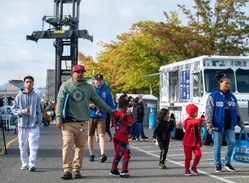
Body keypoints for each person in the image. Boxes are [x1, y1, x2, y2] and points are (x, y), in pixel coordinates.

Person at [56, 65, 115, 179]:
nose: (80, 74)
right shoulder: (66, 86)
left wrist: (111, 111)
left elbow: (98, 101)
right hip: (68, 121)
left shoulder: (88, 88)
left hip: (82, 122)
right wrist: (58, 117)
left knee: (80, 146)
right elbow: (60, 101)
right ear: (72, 74)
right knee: (67, 145)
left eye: (82, 72)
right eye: (77, 72)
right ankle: (67, 169)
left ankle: (76, 169)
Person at [206, 73, 245, 173]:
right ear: (220, 83)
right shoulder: (213, 96)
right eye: (226, 83)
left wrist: (241, 124)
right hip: (217, 125)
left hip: (230, 125)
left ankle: (227, 162)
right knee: (217, 146)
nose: (228, 85)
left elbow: (237, 111)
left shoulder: (232, 97)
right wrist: (209, 123)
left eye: (229, 83)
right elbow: (209, 110)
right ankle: (217, 164)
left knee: (232, 143)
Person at [11, 76, 42, 171]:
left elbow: (39, 110)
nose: (29, 84)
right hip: (22, 125)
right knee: (22, 144)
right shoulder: (19, 96)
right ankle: (24, 162)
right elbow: (14, 109)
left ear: (33, 84)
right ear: (24, 84)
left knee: (33, 144)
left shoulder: (36, 96)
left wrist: (39, 122)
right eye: (27, 82)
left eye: (30, 82)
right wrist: (23, 111)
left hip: (33, 125)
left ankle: (32, 162)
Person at [88, 74, 115, 162]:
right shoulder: (90, 89)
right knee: (90, 136)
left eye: (100, 80)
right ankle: (91, 154)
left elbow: (110, 104)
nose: (98, 82)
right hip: (90, 115)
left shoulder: (106, 90)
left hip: (102, 115)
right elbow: (83, 102)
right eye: (97, 80)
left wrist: (113, 116)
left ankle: (102, 154)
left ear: (102, 81)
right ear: (94, 80)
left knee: (102, 135)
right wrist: (89, 105)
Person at [110, 98, 133, 178]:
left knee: (125, 154)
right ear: (126, 107)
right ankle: (114, 169)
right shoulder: (123, 116)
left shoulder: (115, 114)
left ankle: (123, 170)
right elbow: (130, 122)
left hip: (120, 138)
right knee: (120, 155)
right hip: (121, 139)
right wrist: (129, 115)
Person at [183, 104, 205, 176]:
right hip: (188, 143)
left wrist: (200, 142)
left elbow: (197, 132)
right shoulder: (188, 121)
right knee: (188, 157)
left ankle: (194, 167)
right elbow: (193, 122)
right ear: (191, 113)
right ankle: (187, 170)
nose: (197, 113)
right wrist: (202, 119)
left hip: (196, 142)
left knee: (198, 155)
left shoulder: (196, 121)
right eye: (196, 112)